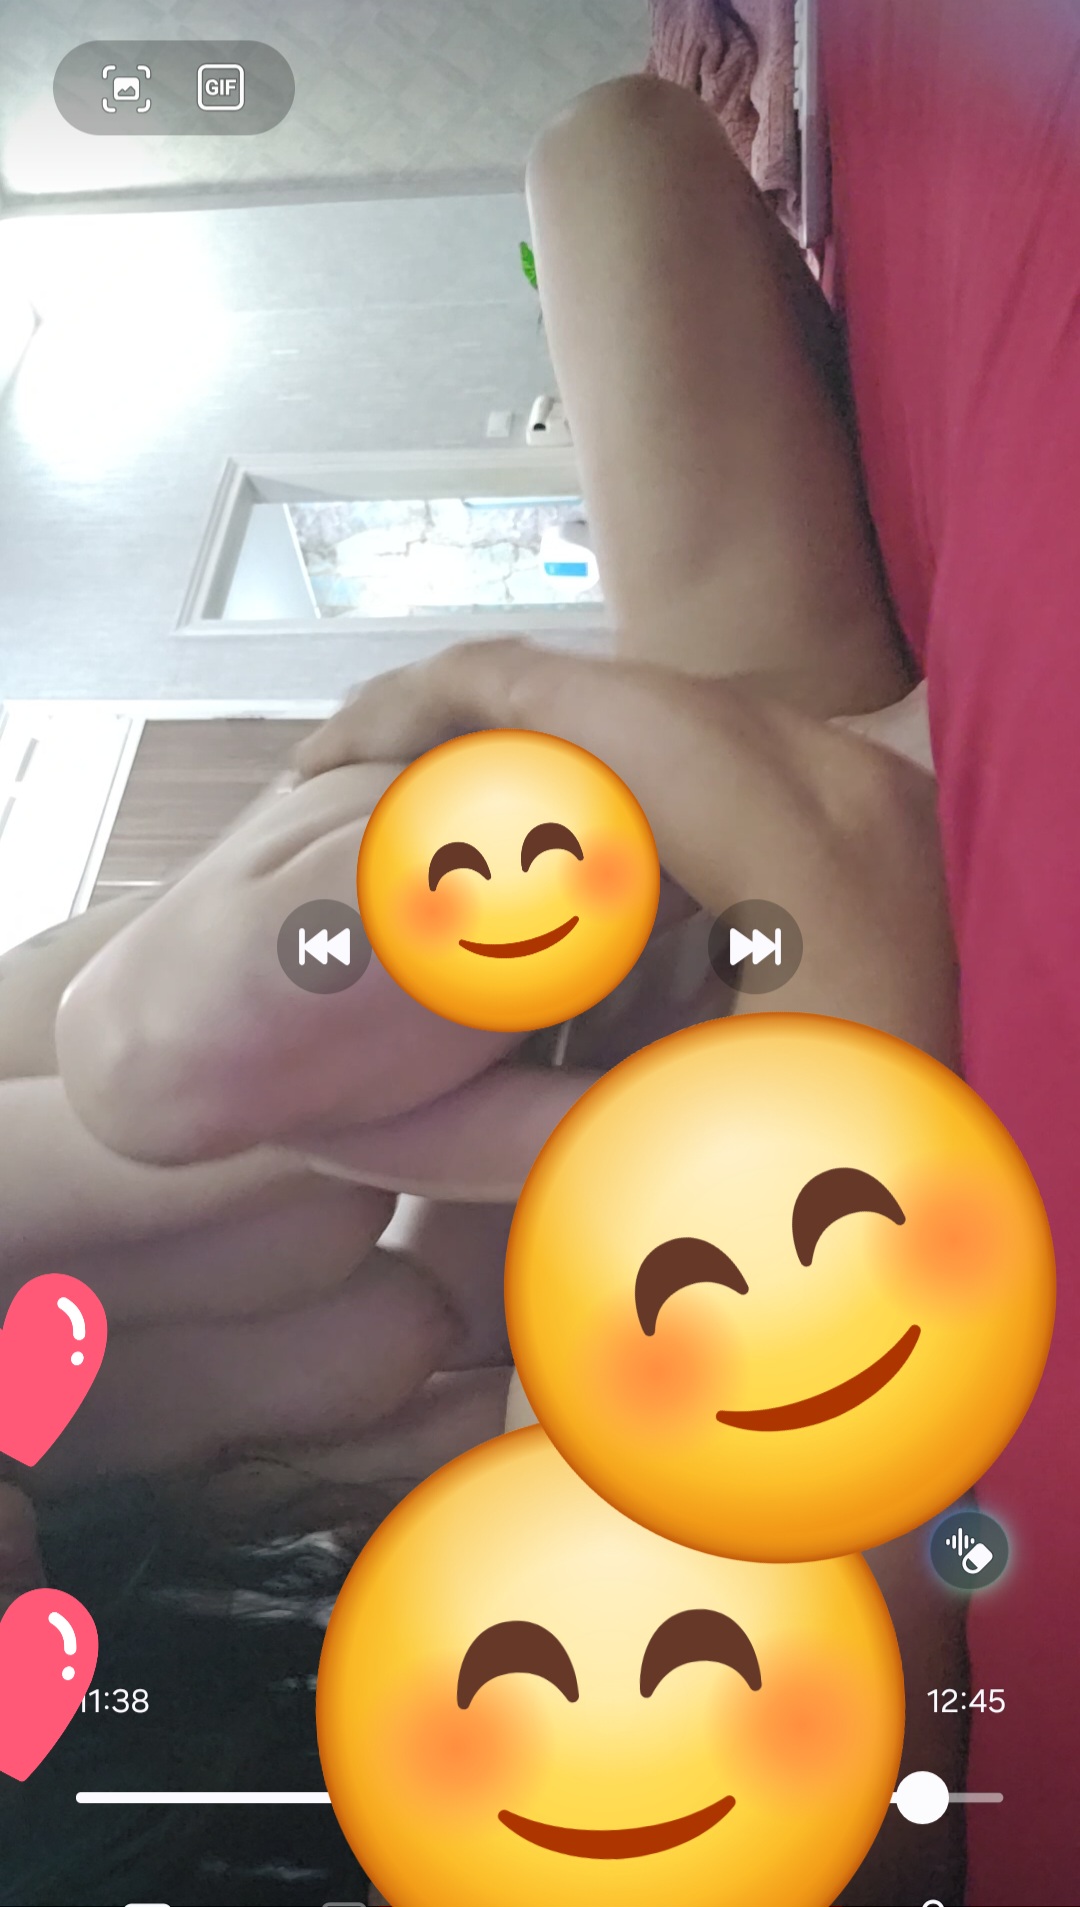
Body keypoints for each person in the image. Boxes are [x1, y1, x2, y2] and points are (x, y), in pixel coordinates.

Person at [45, 74, 965, 1905]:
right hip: (776, 929)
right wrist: (500, 690)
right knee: (164, 1073)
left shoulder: (216, 1474)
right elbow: (851, 870)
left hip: (689, 934)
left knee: (608, 153)